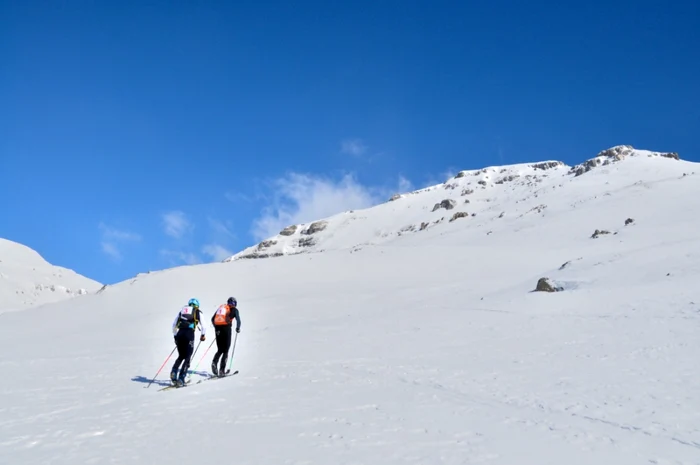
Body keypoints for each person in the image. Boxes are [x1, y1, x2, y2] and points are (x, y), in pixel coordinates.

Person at [170, 298, 206, 385]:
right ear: (197, 305)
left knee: (181, 356)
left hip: (179, 333)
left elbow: (174, 324)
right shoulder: (197, 312)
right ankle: (181, 378)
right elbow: (204, 326)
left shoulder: (182, 311)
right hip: (189, 334)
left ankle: (174, 371)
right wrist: (203, 335)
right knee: (188, 357)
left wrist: (175, 336)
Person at [210, 296, 241, 377]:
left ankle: (214, 362)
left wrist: (217, 328)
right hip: (226, 329)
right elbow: (238, 320)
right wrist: (238, 328)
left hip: (218, 329)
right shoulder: (234, 310)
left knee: (220, 349)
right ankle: (222, 370)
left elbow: (213, 319)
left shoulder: (221, 308)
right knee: (226, 350)